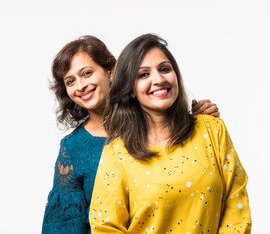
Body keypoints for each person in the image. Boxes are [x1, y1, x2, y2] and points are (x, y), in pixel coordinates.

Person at [41, 35, 220, 234]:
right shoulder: (73, 148)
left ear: (110, 72)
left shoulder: (158, 119)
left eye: (87, 73)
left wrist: (197, 124)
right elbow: (64, 226)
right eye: (70, 81)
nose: (80, 86)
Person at [89, 34, 251, 233]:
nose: (158, 79)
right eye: (143, 74)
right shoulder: (117, 154)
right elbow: (105, 227)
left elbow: (236, 204)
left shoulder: (212, 130)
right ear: (131, 89)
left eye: (165, 69)